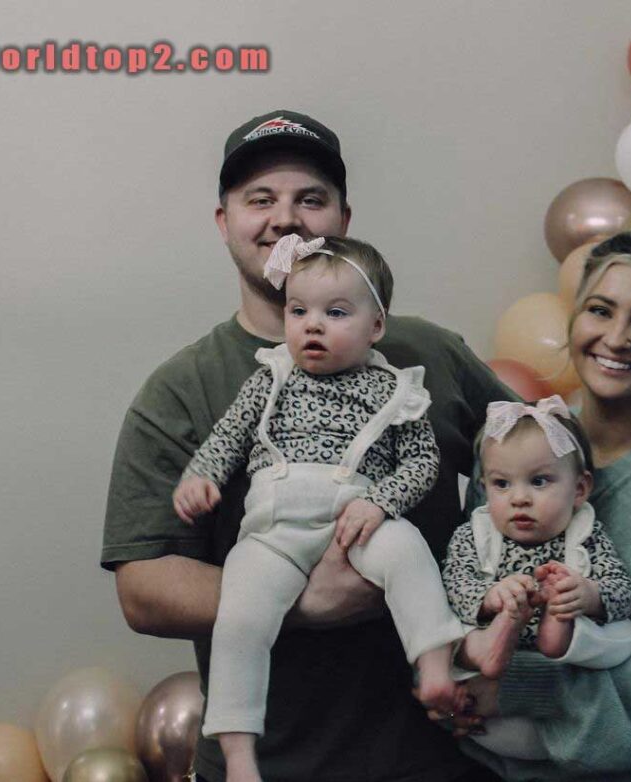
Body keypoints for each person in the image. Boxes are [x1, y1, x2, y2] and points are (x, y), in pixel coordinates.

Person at [101, 110, 510, 782]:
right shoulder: (182, 389)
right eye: (259, 199)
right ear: (224, 221)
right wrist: (303, 602)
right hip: (275, 764)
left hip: (439, 756)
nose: (284, 219)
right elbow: (143, 589)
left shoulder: (427, 356)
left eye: (310, 199)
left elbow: (545, 470)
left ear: (343, 219)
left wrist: (487, 615)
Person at [446, 223, 631, 782]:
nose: (616, 338)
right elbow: (462, 581)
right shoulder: (517, 445)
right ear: (574, 318)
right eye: (600, 310)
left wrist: (520, 688)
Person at [173, 234, 466, 781]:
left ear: (376, 326)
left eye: (335, 313)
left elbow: (423, 463)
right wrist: (202, 476)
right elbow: (228, 436)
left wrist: (381, 502)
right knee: (240, 618)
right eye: (298, 310)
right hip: (274, 528)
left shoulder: (395, 390)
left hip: (356, 521)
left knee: (408, 551)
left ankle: (433, 664)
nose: (312, 326)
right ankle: (239, 755)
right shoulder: (271, 376)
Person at [443, 395, 631, 761]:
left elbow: (623, 589)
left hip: (556, 698)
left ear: (579, 489)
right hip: (486, 689)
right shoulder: (474, 534)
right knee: (444, 633)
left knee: (626, 636)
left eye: (538, 481)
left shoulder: (586, 535)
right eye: (502, 483)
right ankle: (496, 636)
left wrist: (588, 594)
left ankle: (560, 633)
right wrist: (491, 597)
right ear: (484, 486)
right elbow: (455, 584)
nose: (519, 498)